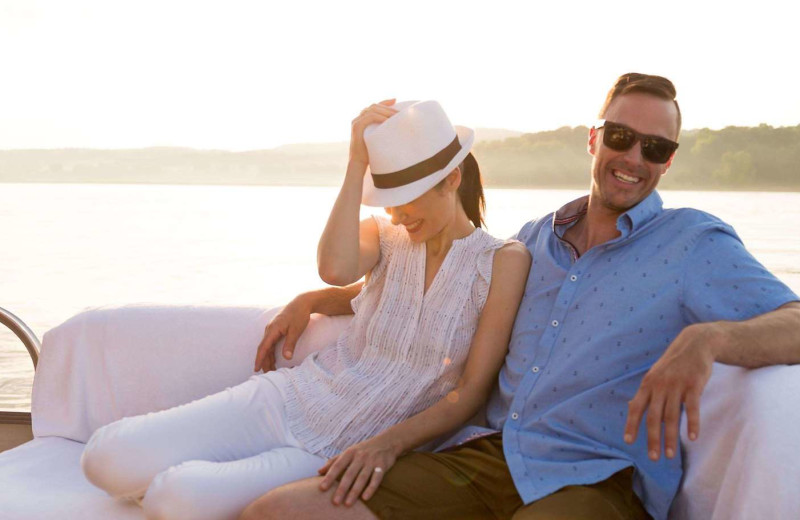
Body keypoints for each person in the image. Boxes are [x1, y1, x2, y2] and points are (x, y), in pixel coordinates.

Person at [239, 74, 800, 520]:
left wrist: (710, 338)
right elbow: (446, 293)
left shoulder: (693, 243)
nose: (634, 158)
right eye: (622, 137)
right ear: (594, 137)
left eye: (655, 148)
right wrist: (316, 299)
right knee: (277, 511)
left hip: (597, 480)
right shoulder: (533, 241)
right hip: (489, 456)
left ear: (669, 160)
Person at [79, 99, 531, 520]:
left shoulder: (502, 261)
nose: (398, 215)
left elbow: (470, 392)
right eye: (389, 198)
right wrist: (356, 164)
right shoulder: (386, 236)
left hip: (343, 447)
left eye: (407, 197)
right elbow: (333, 269)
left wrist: (384, 447)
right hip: (291, 397)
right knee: (103, 458)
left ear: (452, 179)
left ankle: (190, 480)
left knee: (172, 498)